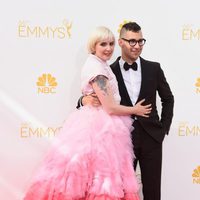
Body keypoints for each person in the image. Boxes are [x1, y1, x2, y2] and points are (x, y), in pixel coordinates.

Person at [23, 26, 152, 200]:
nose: (108, 48)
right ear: (94, 46)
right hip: (99, 128)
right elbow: (110, 107)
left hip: (103, 125)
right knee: (100, 179)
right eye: (103, 44)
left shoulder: (100, 64)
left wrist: (85, 99)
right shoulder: (96, 68)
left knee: (97, 178)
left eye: (111, 44)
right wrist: (135, 110)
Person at [78, 22, 174, 200]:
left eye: (140, 41)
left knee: (153, 191)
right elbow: (92, 95)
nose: (137, 46)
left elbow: (168, 98)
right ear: (121, 42)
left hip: (152, 138)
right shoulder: (108, 69)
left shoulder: (154, 68)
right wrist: (82, 100)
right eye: (132, 41)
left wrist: (162, 129)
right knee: (121, 192)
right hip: (122, 140)